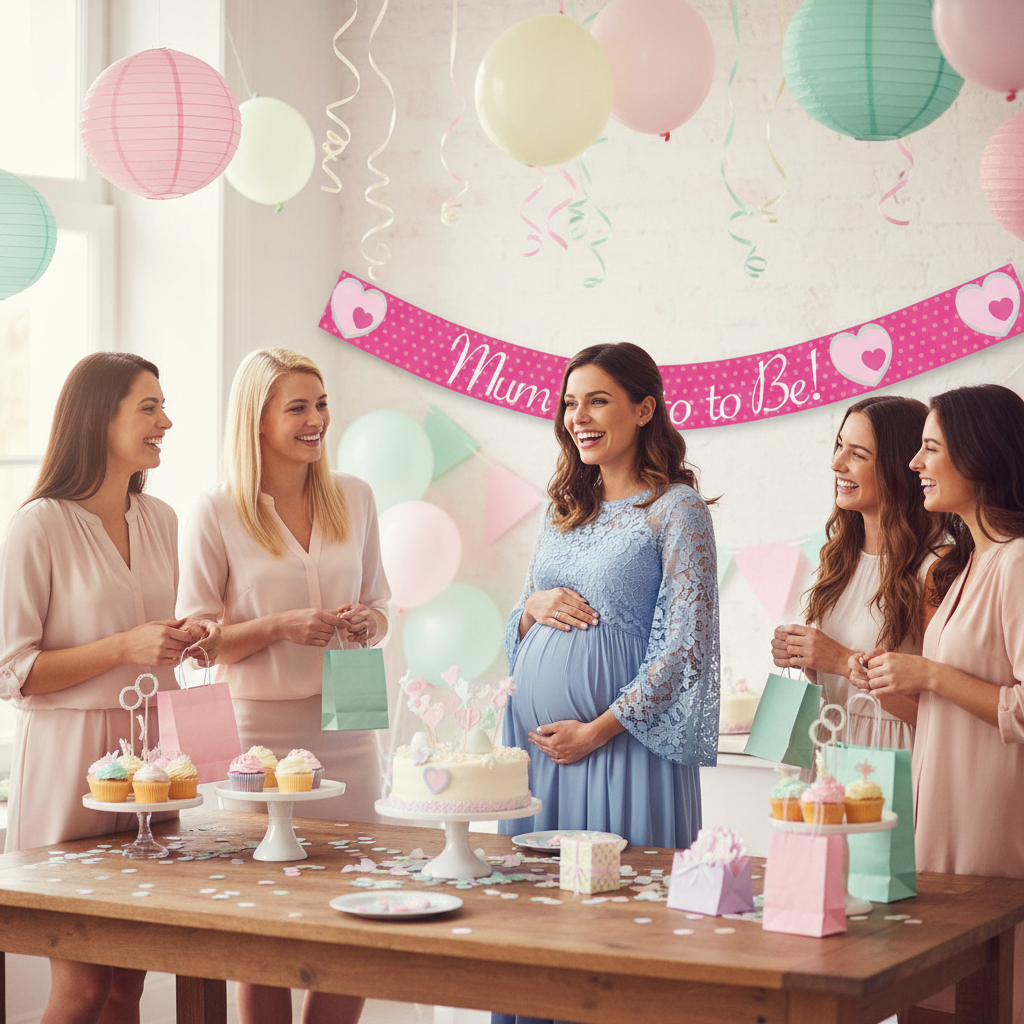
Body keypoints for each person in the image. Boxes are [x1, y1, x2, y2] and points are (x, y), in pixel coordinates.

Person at [0, 352, 218, 1024]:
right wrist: (124, 646)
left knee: (128, 990)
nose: (166, 422)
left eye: (163, 406)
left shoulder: (163, 518)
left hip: (153, 757)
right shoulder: (38, 525)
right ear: (100, 418)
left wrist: (187, 637)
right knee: (83, 991)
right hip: (70, 762)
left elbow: (156, 638)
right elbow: (12, 671)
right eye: (149, 408)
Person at [177, 347, 390, 1024]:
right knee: (261, 914)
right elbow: (196, 644)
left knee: (359, 902)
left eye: (321, 404)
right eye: (297, 407)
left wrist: (369, 623)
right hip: (253, 731)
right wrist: (278, 626)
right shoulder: (215, 510)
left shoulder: (355, 496)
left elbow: (382, 606)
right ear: (257, 420)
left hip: (350, 714)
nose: (316, 420)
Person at [499, 341, 719, 849]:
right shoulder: (563, 509)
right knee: (532, 891)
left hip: (623, 744)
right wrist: (530, 611)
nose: (578, 417)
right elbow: (520, 623)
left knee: (619, 889)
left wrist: (595, 732)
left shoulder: (676, 509)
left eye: (597, 401)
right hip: (540, 750)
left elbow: (686, 650)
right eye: (570, 403)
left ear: (645, 409)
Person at [852, 384, 1024, 1022]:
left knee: (976, 998)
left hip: (988, 835)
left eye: (930, 448)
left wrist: (929, 673)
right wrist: (895, 680)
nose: (915, 463)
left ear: (978, 455)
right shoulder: (965, 567)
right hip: (939, 822)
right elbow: (946, 709)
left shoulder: (1016, 564)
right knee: (928, 998)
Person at [771, 396, 944, 748]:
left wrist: (840, 660)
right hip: (831, 743)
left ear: (899, 468)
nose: (836, 464)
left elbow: (943, 714)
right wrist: (805, 656)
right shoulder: (839, 557)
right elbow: (837, 682)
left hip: (889, 756)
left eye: (858, 454)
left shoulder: (935, 568)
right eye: (839, 446)